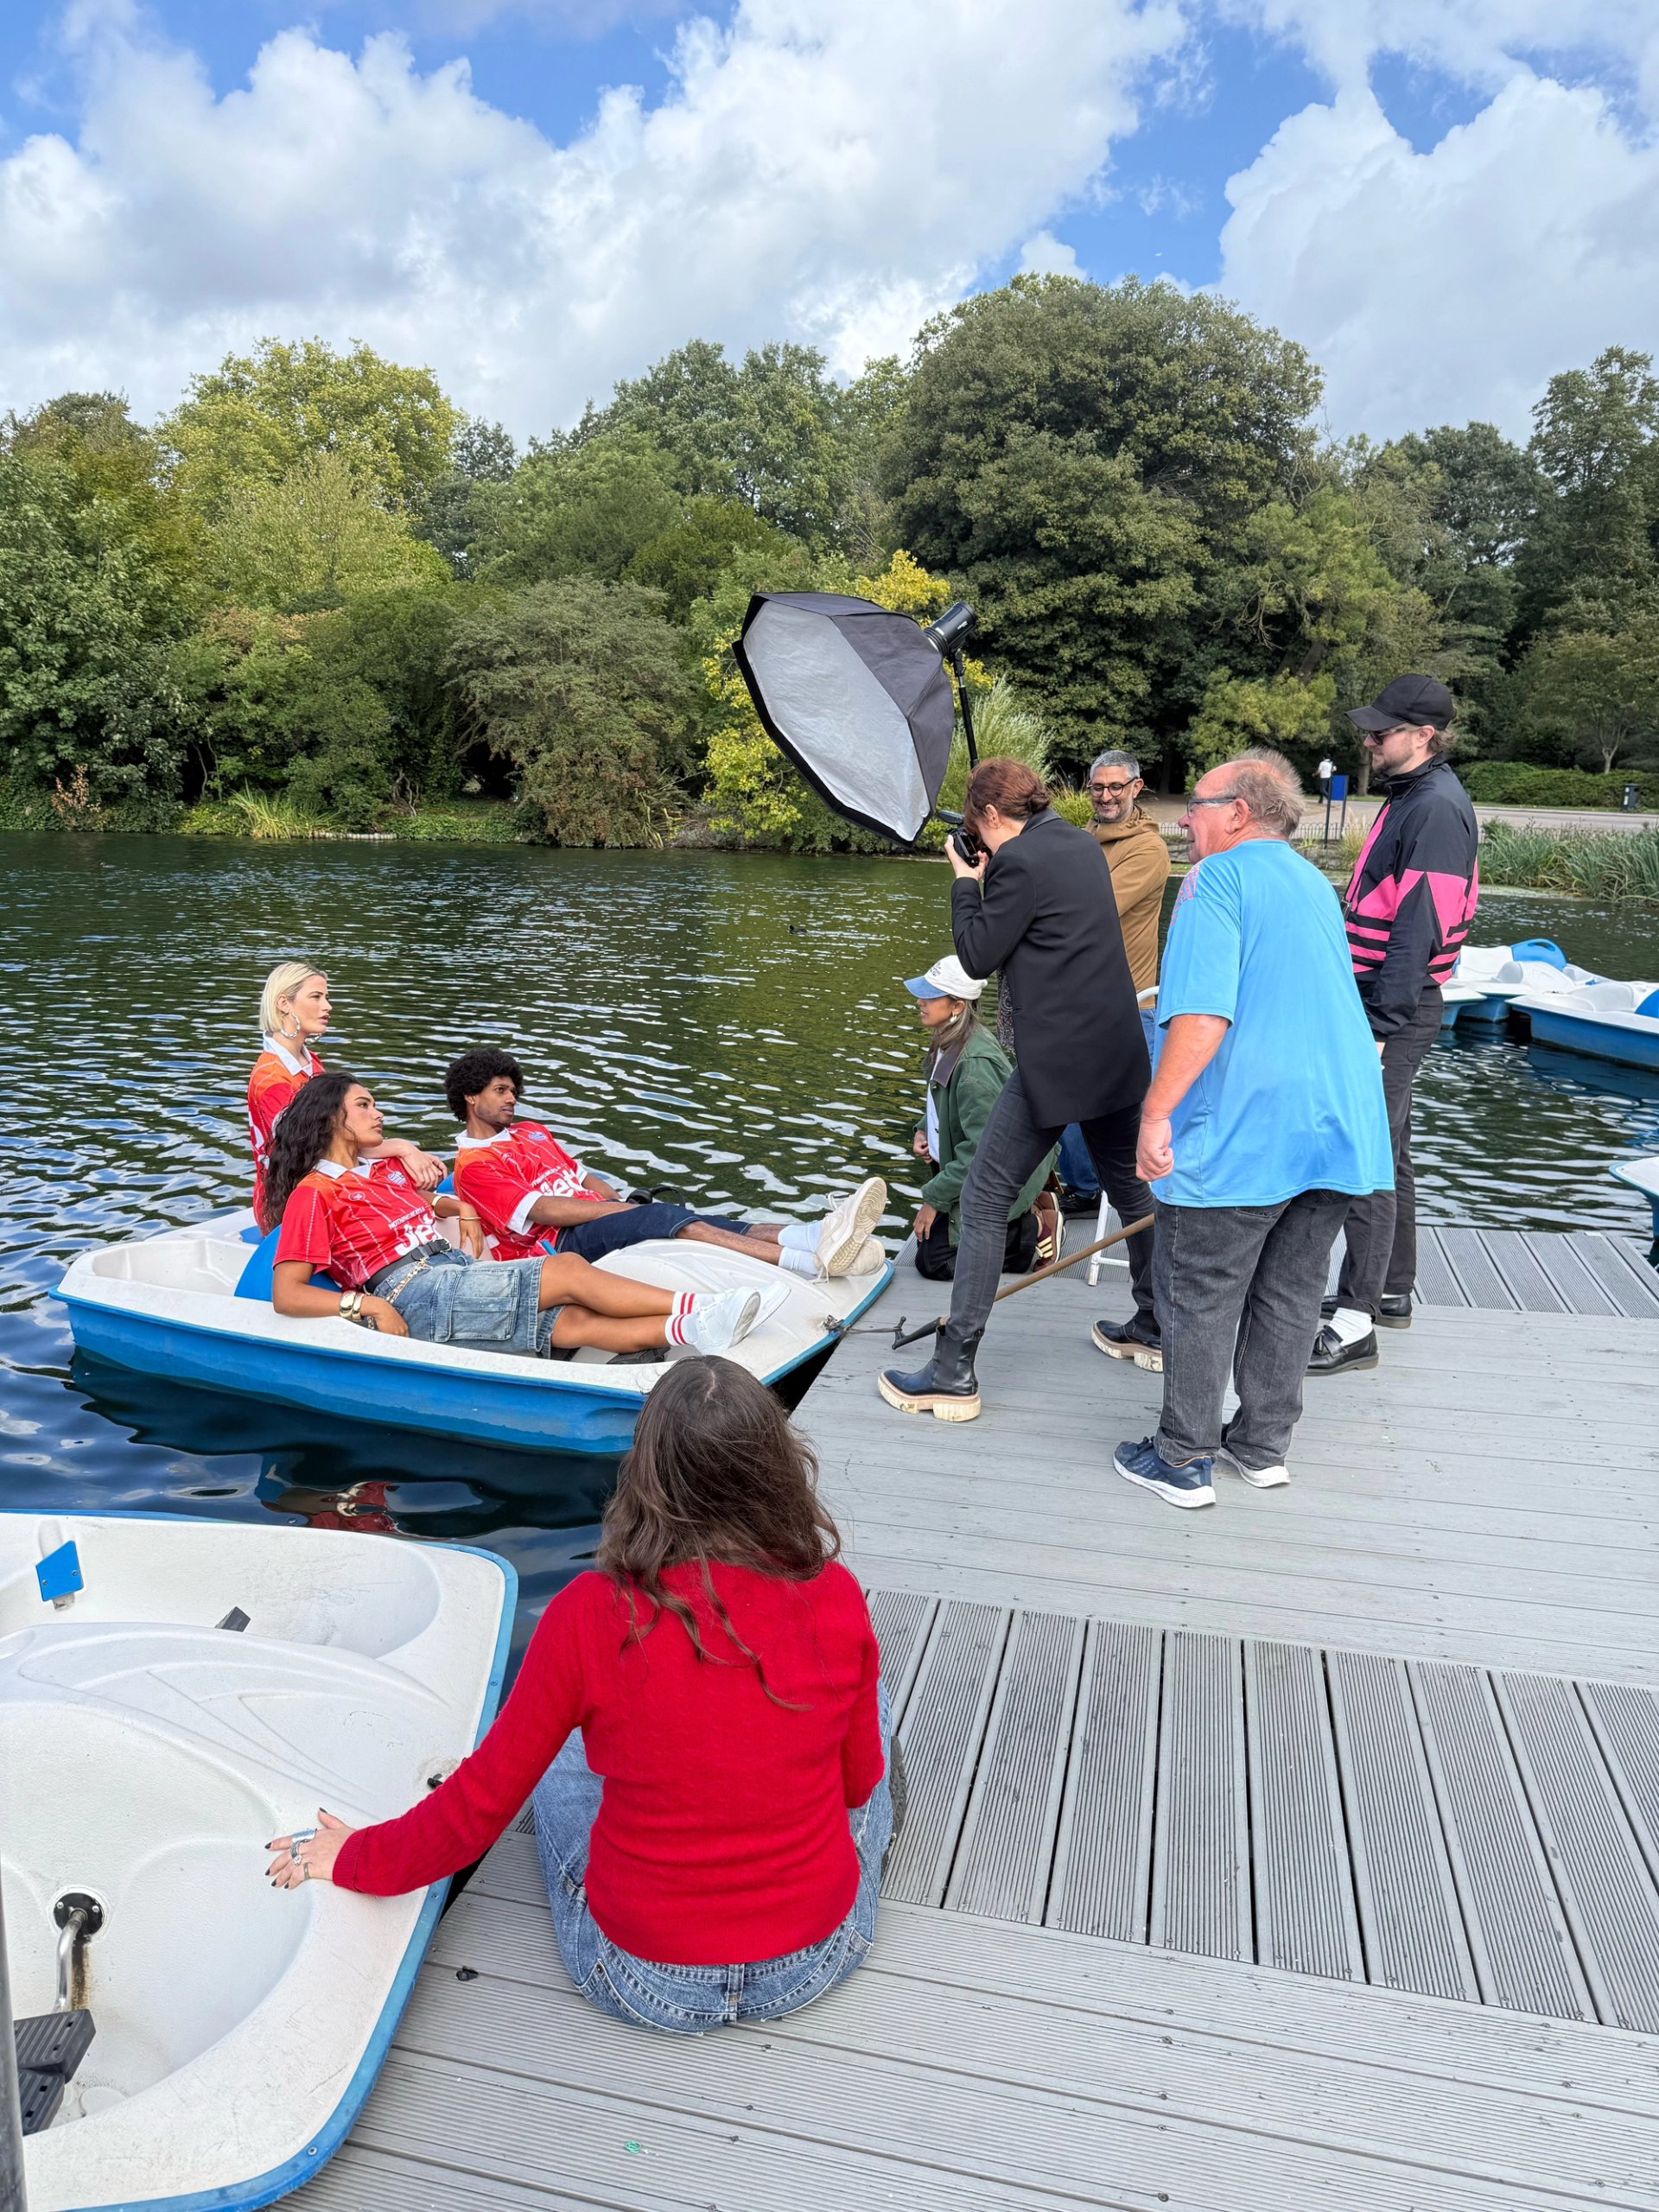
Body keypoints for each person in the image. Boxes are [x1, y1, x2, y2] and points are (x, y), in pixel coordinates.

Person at [267, 1356, 896, 2037]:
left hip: (643, 1978)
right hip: (815, 1957)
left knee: (565, 1747)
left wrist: (357, 1857)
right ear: (777, 1468)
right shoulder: (833, 1594)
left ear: (648, 1475)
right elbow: (858, 1784)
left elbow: (477, 1813)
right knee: (871, 1712)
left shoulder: (588, 1615)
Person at [1112, 750, 1393, 1510]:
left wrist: (1155, 1112)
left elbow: (1203, 1015)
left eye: (1197, 804)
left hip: (1250, 1127)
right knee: (1292, 1292)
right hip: (1338, 1127)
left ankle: (1181, 1456)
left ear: (1239, 811)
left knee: (1201, 1290)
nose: (1183, 818)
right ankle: (1261, 1445)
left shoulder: (1215, 878)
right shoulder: (1310, 881)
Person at [878, 758, 1154, 1421]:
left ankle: (953, 1372)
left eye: (983, 828)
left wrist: (966, 882)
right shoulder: (1081, 844)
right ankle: (1160, 1325)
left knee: (982, 1195)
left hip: (1058, 1062)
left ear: (994, 819)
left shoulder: (1018, 865)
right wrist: (992, 866)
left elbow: (975, 956)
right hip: (1116, 1050)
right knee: (1132, 1188)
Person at [262, 1071, 774, 1360]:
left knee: (573, 1323)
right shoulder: (315, 1192)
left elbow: (421, 1205)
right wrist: (367, 1308)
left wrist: (460, 1207)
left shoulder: (380, 1174)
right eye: (365, 1106)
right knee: (568, 1272)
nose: (379, 1114)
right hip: (409, 1292)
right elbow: (288, 1293)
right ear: (334, 1119)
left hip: (451, 1273)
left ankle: (689, 1328)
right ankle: (707, 1308)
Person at [1313, 676, 1479, 1375]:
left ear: (1425, 736)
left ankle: (1355, 1324)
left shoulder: (1436, 808)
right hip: (1383, 999)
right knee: (1392, 1149)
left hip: (1392, 1006)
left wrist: (1379, 1024)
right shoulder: (1412, 797)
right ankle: (1389, 1288)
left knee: (1366, 1159)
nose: (1370, 740)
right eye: (1371, 730)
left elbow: (1421, 925)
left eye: (1383, 732)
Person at [447, 1048, 885, 1282]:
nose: (512, 1098)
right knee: (668, 1218)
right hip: (555, 1245)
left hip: (594, 1219)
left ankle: (815, 1235)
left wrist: (615, 1200)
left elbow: (584, 1178)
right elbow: (542, 1210)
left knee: (697, 1218)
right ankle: (810, 1265)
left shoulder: (532, 1131)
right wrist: (623, 1212)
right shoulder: (473, 1166)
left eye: (513, 1090)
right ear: (470, 1095)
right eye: (501, 1090)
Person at [1058, 747, 1172, 1216]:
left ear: (1136, 788)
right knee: (1063, 1108)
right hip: (1075, 999)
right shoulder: (1083, 836)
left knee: (1116, 1121)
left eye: (1115, 787)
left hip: (1125, 1005)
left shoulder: (1148, 849)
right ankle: (1084, 1193)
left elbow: (1091, 907)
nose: (1105, 796)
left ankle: (1136, 1215)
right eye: (1098, 787)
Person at [901, 955, 1058, 1281]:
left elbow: (982, 1153)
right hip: (977, 1173)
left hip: (1003, 1174)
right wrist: (922, 1130)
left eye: (930, 996)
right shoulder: (948, 1040)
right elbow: (941, 1104)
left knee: (934, 1263)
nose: (920, 1001)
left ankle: (1033, 1227)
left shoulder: (974, 1067)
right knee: (929, 1249)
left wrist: (932, 1199)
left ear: (957, 1006)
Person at [248, 960, 442, 1220]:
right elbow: (315, 1149)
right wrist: (401, 1147)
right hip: (291, 1203)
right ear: (284, 1004)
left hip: (321, 1181)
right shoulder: (272, 1079)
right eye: (316, 997)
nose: (327, 1006)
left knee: (412, 1172)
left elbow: (336, 1134)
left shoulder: (309, 1062)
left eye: (325, 997)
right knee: (404, 1176)